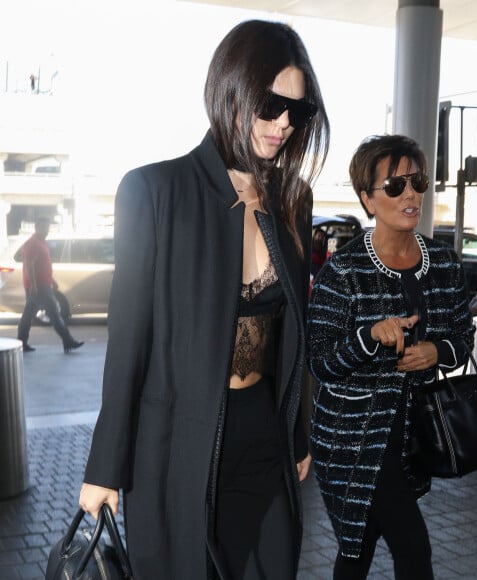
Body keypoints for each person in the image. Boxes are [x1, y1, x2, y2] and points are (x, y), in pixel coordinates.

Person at [78, 20, 330, 580]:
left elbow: (296, 333)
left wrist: (297, 431)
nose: (284, 124)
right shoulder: (154, 192)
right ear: (230, 89)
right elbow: (129, 343)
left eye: (300, 112)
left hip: (263, 433)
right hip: (176, 447)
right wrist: (104, 468)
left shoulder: (293, 200)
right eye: (270, 105)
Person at [307, 134, 475, 580]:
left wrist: (437, 351)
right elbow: (320, 362)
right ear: (367, 198)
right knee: (413, 548)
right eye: (396, 186)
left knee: (357, 550)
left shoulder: (443, 262)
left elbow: (463, 336)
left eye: (417, 181)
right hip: (354, 440)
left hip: (411, 437)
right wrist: (368, 337)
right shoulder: (342, 273)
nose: (412, 194)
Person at [17, 216, 84, 353]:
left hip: (43, 285)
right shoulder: (33, 243)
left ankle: (22, 342)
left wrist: (52, 281)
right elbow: (29, 266)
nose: (46, 230)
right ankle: (68, 340)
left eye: (47, 227)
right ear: (37, 227)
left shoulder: (42, 243)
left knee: (28, 315)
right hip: (39, 287)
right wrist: (34, 285)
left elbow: (43, 265)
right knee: (54, 313)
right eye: (43, 227)